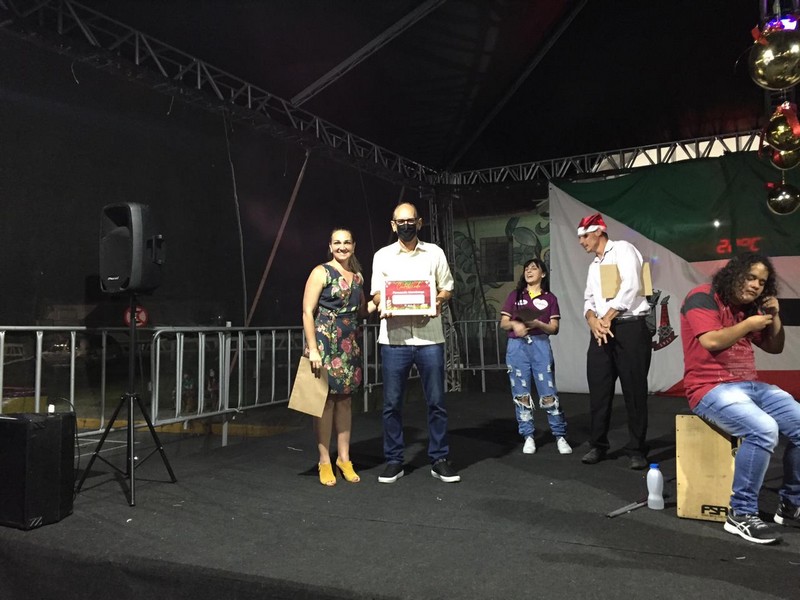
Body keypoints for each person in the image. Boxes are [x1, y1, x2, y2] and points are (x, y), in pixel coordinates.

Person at [681, 252, 800, 545]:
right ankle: (741, 513)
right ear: (734, 274)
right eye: (751, 277)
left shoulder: (749, 309)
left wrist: (774, 316)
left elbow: (774, 347)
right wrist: (748, 325)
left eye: (762, 282)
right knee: (764, 429)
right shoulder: (702, 297)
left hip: (749, 386)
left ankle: (791, 505)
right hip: (708, 387)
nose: (757, 285)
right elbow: (711, 340)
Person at [370, 202, 459, 484]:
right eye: (401, 221)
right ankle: (395, 460)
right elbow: (376, 294)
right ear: (393, 225)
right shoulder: (382, 256)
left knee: (436, 402)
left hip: (430, 337)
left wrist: (438, 300)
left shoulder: (435, 253)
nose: (406, 225)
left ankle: (439, 459)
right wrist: (384, 304)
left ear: (420, 223)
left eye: (411, 220)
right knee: (391, 404)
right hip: (394, 339)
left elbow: (447, 287)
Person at [577, 213, 652, 469]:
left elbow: (631, 285)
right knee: (599, 389)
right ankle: (598, 445)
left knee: (634, 390)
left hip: (629, 327)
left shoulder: (622, 249)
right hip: (601, 330)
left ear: (599, 232)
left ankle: (637, 448)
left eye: (584, 236)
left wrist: (607, 317)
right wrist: (592, 321)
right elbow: (588, 299)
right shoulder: (593, 266)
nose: (581, 242)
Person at [302, 228, 372, 486]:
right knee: (325, 402)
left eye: (347, 242)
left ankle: (344, 458)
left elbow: (361, 311)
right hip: (324, 343)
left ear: (354, 246)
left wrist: (384, 301)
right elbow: (307, 312)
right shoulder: (321, 272)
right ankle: (324, 460)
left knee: (345, 402)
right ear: (330, 246)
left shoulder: (358, 277)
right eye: (337, 243)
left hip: (348, 344)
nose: (342, 247)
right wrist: (313, 348)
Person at [500, 258, 572, 455]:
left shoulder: (550, 298)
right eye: (526, 268)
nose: (529, 271)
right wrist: (515, 324)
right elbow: (504, 323)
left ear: (543, 274)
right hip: (517, 347)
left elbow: (554, 328)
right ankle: (528, 435)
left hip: (540, 344)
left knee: (548, 392)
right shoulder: (515, 295)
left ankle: (560, 435)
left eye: (534, 268)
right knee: (521, 393)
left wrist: (539, 324)